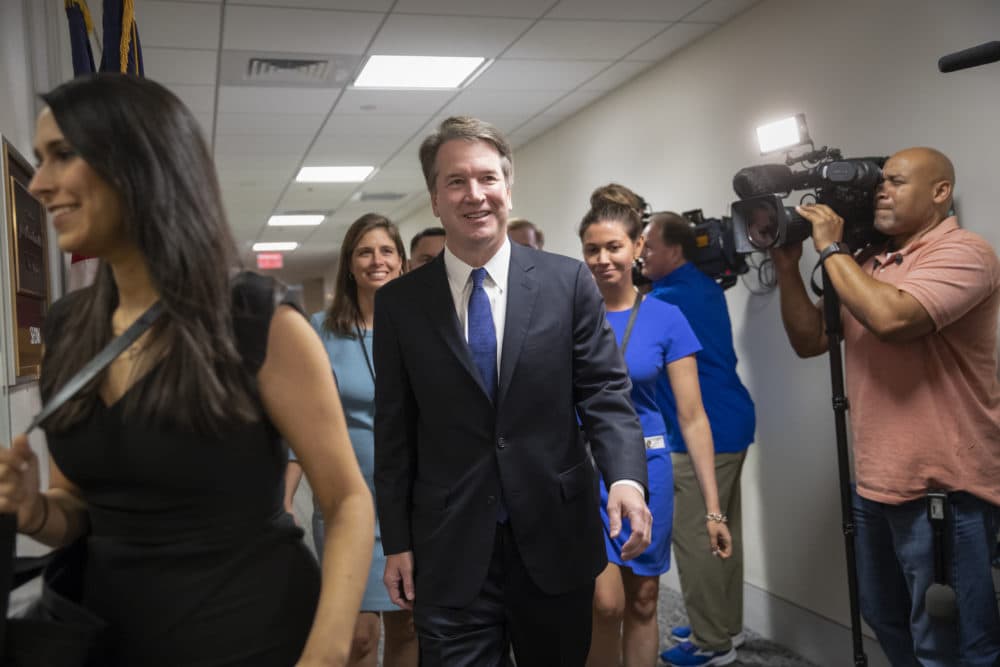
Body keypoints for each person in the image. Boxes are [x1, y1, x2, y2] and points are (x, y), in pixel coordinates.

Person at [0, 74, 375, 666]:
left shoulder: (257, 319)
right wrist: (35, 510)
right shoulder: (71, 327)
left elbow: (348, 500)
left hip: (254, 638)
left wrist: (324, 655)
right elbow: (78, 509)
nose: (41, 184)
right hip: (107, 639)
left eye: (63, 156)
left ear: (141, 164)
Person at [372, 116, 652, 666]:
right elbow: (395, 431)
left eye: (487, 178)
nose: (474, 194)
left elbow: (605, 394)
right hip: (449, 546)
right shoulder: (401, 304)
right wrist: (397, 541)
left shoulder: (566, 282)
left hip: (552, 536)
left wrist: (625, 478)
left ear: (507, 186)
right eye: (456, 181)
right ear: (434, 197)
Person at [771, 147, 1000, 665]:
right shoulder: (870, 263)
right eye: (880, 184)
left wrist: (831, 251)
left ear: (940, 191)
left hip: (946, 486)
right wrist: (787, 267)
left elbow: (893, 319)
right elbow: (811, 340)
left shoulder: (965, 253)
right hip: (875, 484)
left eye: (895, 182)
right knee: (886, 618)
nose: (881, 191)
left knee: (954, 639)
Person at [579, 201, 732, 667]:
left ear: (638, 247)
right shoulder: (570, 315)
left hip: (650, 467)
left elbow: (692, 417)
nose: (603, 259)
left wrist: (712, 510)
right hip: (584, 470)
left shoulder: (665, 317)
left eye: (613, 247)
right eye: (591, 249)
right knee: (605, 604)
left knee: (644, 599)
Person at [286, 213, 418, 667]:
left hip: (414, 502)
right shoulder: (322, 331)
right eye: (365, 251)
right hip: (349, 503)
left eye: (386, 251)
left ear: (401, 262)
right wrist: (283, 499)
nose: (376, 260)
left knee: (409, 624)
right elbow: (300, 423)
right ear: (349, 264)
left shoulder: (423, 329)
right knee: (358, 635)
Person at [641, 212, 755, 666]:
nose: (640, 253)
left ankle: (712, 643)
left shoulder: (662, 302)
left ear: (675, 250)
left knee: (696, 539)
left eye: (647, 245)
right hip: (733, 420)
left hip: (700, 434)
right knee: (725, 529)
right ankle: (727, 625)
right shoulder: (705, 286)